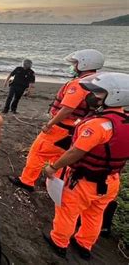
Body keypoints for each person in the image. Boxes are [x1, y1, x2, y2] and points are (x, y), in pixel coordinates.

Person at [42, 72, 129, 260]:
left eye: (100, 93)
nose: (93, 96)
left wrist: (52, 167)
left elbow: (75, 152)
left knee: (67, 211)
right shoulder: (125, 121)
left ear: (115, 95)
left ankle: (59, 242)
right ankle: (84, 244)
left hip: (83, 180)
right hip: (111, 180)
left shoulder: (98, 125)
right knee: (94, 215)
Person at [9, 49, 105, 191]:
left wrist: (50, 124)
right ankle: (54, 183)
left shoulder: (79, 84)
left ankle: (27, 181)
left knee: (37, 152)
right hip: (77, 127)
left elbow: (67, 109)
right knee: (60, 156)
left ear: (83, 64)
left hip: (61, 127)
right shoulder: (99, 83)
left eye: (75, 63)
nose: (73, 66)